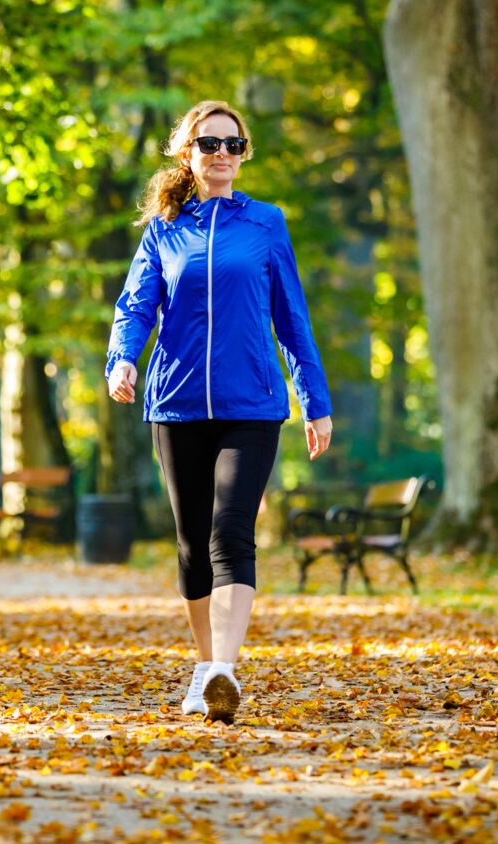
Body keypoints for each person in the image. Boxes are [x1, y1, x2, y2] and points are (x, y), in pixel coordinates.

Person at [105, 100, 333, 724]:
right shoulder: (163, 230)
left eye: (234, 145)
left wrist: (314, 400)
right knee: (191, 545)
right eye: (210, 144)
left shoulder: (265, 224)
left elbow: (292, 318)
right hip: (176, 403)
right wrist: (122, 360)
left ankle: (226, 670)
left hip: (253, 403)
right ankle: (205, 667)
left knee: (231, 532)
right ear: (188, 154)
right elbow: (135, 307)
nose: (223, 155)